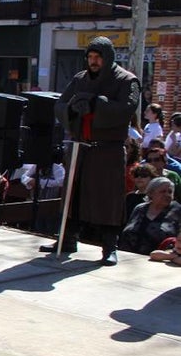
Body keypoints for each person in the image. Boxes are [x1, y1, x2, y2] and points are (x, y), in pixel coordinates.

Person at [42, 36, 140, 265]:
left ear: (108, 57)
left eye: (98, 57)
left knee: (108, 199)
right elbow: (60, 104)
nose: (94, 61)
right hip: (79, 147)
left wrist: (96, 103)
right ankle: (67, 239)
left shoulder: (127, 81)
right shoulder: (79, 79)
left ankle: (109, 247)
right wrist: (73, 109)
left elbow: (126, 109)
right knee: (72, 196)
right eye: (91, 57)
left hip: (107, 151)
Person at [119, 177, 181, 256]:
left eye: (170, 192)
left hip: (159, 260)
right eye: (163, 191)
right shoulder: (140, 208)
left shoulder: (177, 210)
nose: (167, 195)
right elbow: (126, 230)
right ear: (151, 193)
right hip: (127, 257)